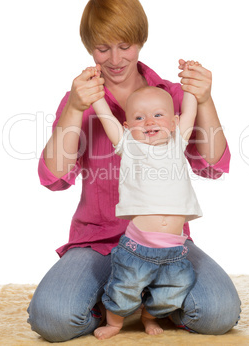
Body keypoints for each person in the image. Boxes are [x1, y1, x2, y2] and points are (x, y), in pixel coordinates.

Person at [27, 0, 241, 342]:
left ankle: (144, 296)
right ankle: (122, 297)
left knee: (218, 312)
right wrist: (76, 109)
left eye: (124, 46)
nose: (114, 59)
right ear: (89, 47)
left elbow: (212, 166)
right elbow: (53, 177)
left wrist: (204, 99)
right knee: (53, 319)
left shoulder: (170, 95)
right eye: (102, 48)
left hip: (166, 243)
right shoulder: (81, 99)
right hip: (97, 241)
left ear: (140, 41)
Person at [91, 80, 201, 339]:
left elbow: (190, 112)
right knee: (124, 287)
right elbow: (106, 116)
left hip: (175, 249)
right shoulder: (130, 147)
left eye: (158, 115)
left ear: (174, 123)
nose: (149, 122)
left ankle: (149, 316)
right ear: (128, 128)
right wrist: (96, 95)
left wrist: (192, 86)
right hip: (138, 248)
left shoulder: (176, 143)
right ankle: (115, 323)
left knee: (173, 290)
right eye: (139, 118)